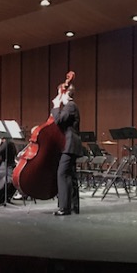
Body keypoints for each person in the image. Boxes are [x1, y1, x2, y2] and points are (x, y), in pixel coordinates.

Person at [51, 84, 83, 215]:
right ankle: (74, 206)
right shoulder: (72, 106)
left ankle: (64, 208)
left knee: (62, 174)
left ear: (65, 93)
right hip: (71, 145)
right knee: (70, 176)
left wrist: (56, 106)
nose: (59, 96)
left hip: (69, 145)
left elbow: (58, 120)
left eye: (60, 93)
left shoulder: (70, 106)